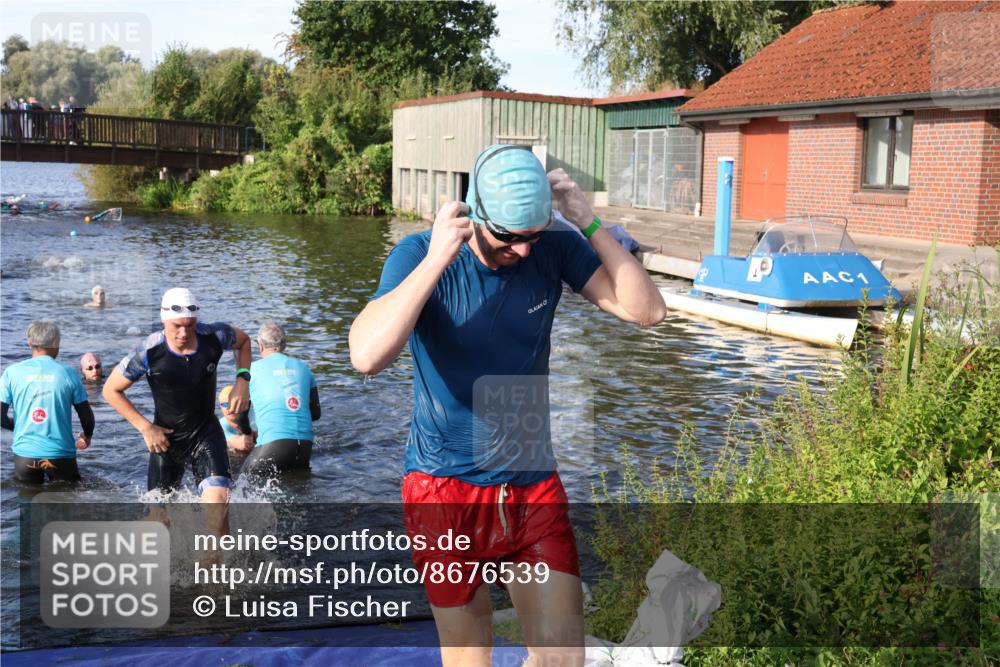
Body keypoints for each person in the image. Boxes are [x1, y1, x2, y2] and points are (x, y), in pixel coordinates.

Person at [349, 144, 666, 666]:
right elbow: (366, 356)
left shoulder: (554, 249)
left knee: (564, 658)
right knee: (471, 658)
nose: (520, 252)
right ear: (473, 213)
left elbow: (646, 310)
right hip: (443, 487)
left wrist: (586, 221)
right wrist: (435, 261)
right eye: (507, 238)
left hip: (531, 484)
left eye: (531, 238)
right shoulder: (419, 253)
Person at [103, 288, 251, 514]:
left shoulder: (213, 336)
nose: (184, 332)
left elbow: (243, 341)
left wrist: (242, 380)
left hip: (205, 434)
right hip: (165, 440)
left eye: (189, 325)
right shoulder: (149, 351)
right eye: (177, 326)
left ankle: (218, 550)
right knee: (159, 520)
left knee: (218, 507)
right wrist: (145, 428)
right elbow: (110, 390)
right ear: (165, 321)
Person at [0, 321, 95, 484]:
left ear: (29, 343)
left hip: (25, 455)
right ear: (57, 344)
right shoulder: (68, 373)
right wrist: (87, 435)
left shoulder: (11, 373)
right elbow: (86, 416)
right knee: (67, 503)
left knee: (28, 502)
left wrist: (18, 425)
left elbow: (0, 416)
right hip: (60, 454)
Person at [242, 322, 319, 478]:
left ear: (260, 345)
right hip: (305, 447)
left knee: (241, 486)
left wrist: (248, 433)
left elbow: (239, 414)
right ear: (284, 344)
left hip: (273, 444)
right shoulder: (304, 368)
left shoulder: (251, 369)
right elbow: (315, 414)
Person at [217, 384, 254, 453]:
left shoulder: (255, 414)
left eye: (233, 403)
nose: (230, 408)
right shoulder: (220, 426)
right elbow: (238, 443)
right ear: (220, 408)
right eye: (225, 405)